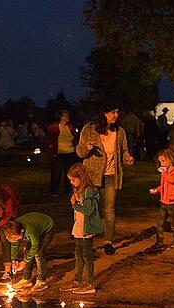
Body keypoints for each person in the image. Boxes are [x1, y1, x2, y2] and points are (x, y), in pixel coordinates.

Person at [76, 102, 135, 255]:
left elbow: (124, 152)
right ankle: (87, 242)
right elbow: (79, 152)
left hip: (110, 175)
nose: (116, 115)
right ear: (103, 113)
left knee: (109, 210)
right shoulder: (89, 129)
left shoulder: (119, 131)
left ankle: (108, 241)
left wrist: (128, 158)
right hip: (91, 176)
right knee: (89, 209)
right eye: (112, 112)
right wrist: (86, 148)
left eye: (117, 112)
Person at [66, 163, 103, 294]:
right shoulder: (78, 190)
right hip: (79, 227)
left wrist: (74, 205)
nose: (71, 182)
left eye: (73, 180)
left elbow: (88, 210)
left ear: (81, 177)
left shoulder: (89, 191)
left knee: (87, 256)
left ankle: (89, 283)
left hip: (86, 228)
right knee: (78, 255)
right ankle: (77, 281)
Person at [6, 212, 55, 293]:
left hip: (46, 228)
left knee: (39, 254)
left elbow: (35, 246)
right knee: (27, 252)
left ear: (21, 232)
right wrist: (14, 259)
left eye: (17, 238)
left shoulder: (30, 230)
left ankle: (42, 281)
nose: (16, 240)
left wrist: (24, 262)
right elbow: (14, 244)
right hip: (35, 228)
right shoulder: (13, 229)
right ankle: (26, 278)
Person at [149, 149, 174, 248]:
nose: (161, 164)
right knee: (160, 223)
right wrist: (157, 190)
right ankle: (159, 242)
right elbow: (163, 185)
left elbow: (172, 180)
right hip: (164, 202)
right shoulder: (165, 173)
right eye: (160, 162)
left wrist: (164, 173)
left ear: (170, 159)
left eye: (163, 161)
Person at [46, 110, 78, 196]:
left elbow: (75, 138)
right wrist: (50, 149)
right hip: (58, 153)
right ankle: (54, 191)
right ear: (61, 117)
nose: (68, 117)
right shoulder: (54, 127)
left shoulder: (71, 127)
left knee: (69, 173)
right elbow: (49, 139)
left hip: (70, 152)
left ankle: (67, 190)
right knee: (56, 173)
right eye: (65, 116)